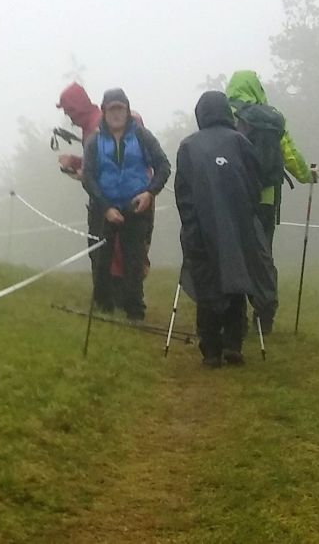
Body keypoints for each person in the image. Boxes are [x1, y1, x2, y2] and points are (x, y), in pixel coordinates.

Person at [175, 91, 278, 367]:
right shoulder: (240, 142)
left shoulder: (188, 147)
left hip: (201, 229)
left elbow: (183, 193)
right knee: (238, 279)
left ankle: (210, 350)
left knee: (208, 284)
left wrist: (191, 226)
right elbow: (254, 183)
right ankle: (234, 343)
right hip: (239, 225)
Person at [226, 70, 319, 333]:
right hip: (266, 200)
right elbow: (289, 153)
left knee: (233, 254)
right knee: (262, 255)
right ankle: (264, 312)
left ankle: (234, 315)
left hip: (234, 199)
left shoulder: (225, 114)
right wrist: (306, 175)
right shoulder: (271, 117)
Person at [82, 88, 170, 320]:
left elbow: (163, 165)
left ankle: (134, 310)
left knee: (134, 260)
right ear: (104, 112)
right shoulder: (94, 141)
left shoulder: (142, 136)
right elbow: (88, 177)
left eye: (120, 108)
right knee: (101, 259)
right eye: (111, 109)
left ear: (128, 110)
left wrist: (150, 193)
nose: (116, 114)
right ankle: (103, 306)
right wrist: (105, 207)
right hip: (104, 207)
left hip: (136, 206)